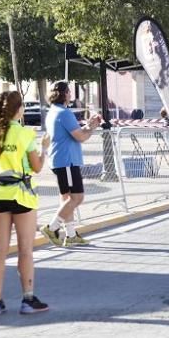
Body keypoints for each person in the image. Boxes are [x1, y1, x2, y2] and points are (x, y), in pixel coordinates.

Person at [0, 90, 52, 315]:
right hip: (21, 195)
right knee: (25, 250)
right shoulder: (25, 134)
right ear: (18, 110)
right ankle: (28, 299)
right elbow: (37, 167)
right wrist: (45, 148)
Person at [41, 81, 103, 246]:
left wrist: (88, 125)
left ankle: (70, 235)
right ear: (64, 94)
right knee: (77, 198)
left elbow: (75, 132)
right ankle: (52, 227)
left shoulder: (53, 112)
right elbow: (80, 137)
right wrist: (93, 128)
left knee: (67, 199)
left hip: (59, 160)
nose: (70, 94)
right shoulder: (65, 113)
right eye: (69, 91)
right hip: (67, 160)